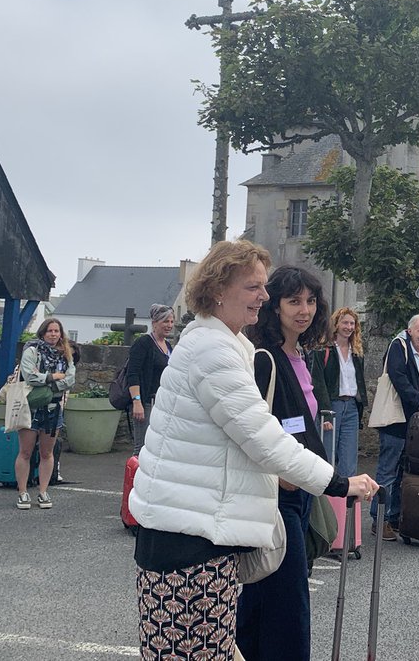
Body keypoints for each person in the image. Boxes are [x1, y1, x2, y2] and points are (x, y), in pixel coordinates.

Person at [128, 240, 375, 661]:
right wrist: (336, 482)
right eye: (254, 287)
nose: (264, 295)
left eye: (264, 286)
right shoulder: (214, 350)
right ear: (219, 289)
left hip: (198, 530)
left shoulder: (223, 344)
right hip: (190, 540)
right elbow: (264, 437)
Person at [237, 265, 341, 659]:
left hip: (298, 489)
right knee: (286, 601)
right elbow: (252, 427)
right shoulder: (264, 358)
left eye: (311, 301)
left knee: (268, 599)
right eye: (293, 301)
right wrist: (281, 475)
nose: (305, 309)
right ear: (273, 307)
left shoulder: (303, 355)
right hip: (275, 495)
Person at [371, 314, 419, 540]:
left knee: (403, 472)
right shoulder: (399, 346)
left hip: (412, 422)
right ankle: (378, 520)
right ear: (410, 331)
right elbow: (398, 377)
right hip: (395, 420)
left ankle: (395, 518)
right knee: (387, 472)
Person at [14, 317, 75, 511]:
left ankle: (43, 491)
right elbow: (29, 376)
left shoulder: (65, 354)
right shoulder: (32, 350)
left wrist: (49, 383)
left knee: (47, 453)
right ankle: (23, 492)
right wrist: (53, 377)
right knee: (25, 451)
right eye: (50, 331)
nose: (53, 334)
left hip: (53, 408)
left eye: (57, 331)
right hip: (31, 408)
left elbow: (70, 379)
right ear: (43, 332)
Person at [313, 306, 366, 478]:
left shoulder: (357, 352)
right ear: (336, 324)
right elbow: (318, 383)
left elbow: (360, 383)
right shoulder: (323, 350)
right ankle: (326, 498)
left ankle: (345, 501)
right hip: (332, 405)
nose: (349, 327)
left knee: (349, 458)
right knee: (327, 455)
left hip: (351, 406)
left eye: (352, 324)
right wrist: (325, 413)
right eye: (345, 323)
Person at [125, 303, 175, 454]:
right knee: (141, 448)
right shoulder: (143, 343)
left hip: (161, 403)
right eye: (165, 321)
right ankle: (134, 477)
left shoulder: (168, 345)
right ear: (154, 323)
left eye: (171, 321)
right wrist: (137, 402)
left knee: (157, 447)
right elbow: (132, 374)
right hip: (146, 402)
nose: (169, 325)